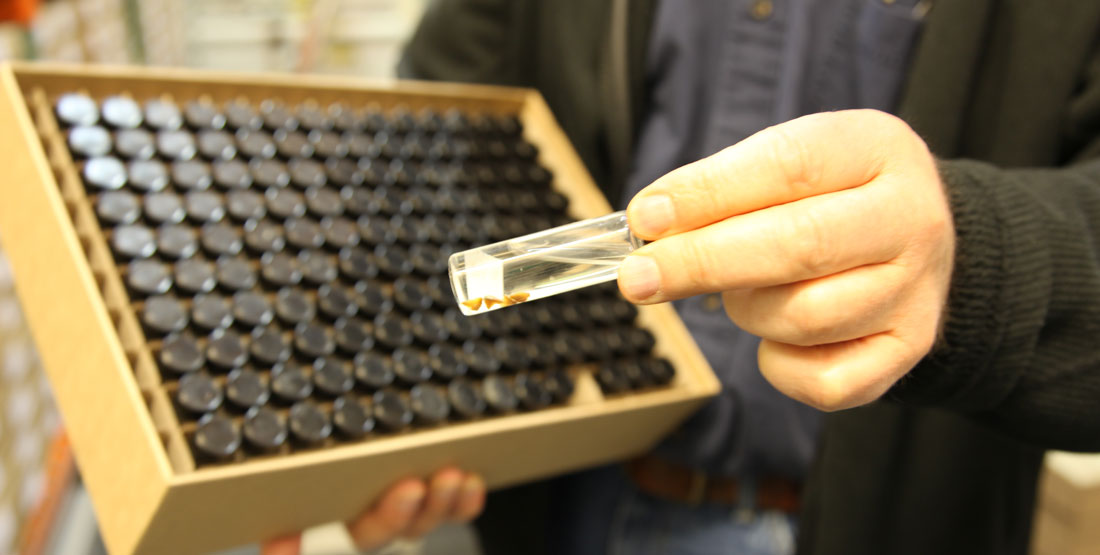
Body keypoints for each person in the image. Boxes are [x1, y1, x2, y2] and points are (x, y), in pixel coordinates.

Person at [268, 1, 1100, 554]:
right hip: (552, 501)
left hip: (882, 520)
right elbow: (442, 142)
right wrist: (389, 390)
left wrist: (973, 257)